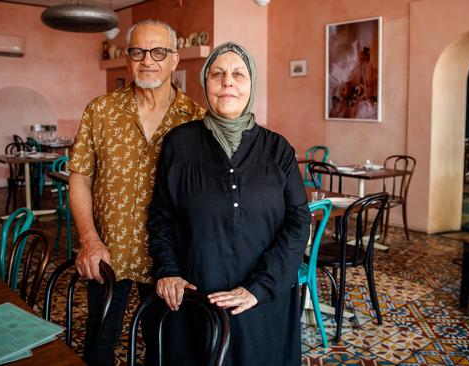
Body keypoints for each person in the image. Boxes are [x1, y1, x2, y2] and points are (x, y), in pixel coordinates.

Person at [148, 42, 311, 366]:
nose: (228, 82)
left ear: (252, 85)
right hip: (195, 296)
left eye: (239, 74)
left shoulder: (278, 149)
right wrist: (168, 271)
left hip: (262, 301)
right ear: (205, 83)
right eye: (217, 74)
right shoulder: (179, 144)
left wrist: (258, 287)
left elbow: (298, 222)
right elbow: (161, 216)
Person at [68, 19, 205, 365]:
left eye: (159, 52)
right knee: (99, 344)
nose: (148, 60)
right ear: (128, 59)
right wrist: (89, 240)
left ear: (175, 59)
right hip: (109, 252)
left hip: (170, 259)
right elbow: (80, 177)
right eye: (139, 52)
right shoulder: (100, 111)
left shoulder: (196, 121)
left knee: (165, 349)